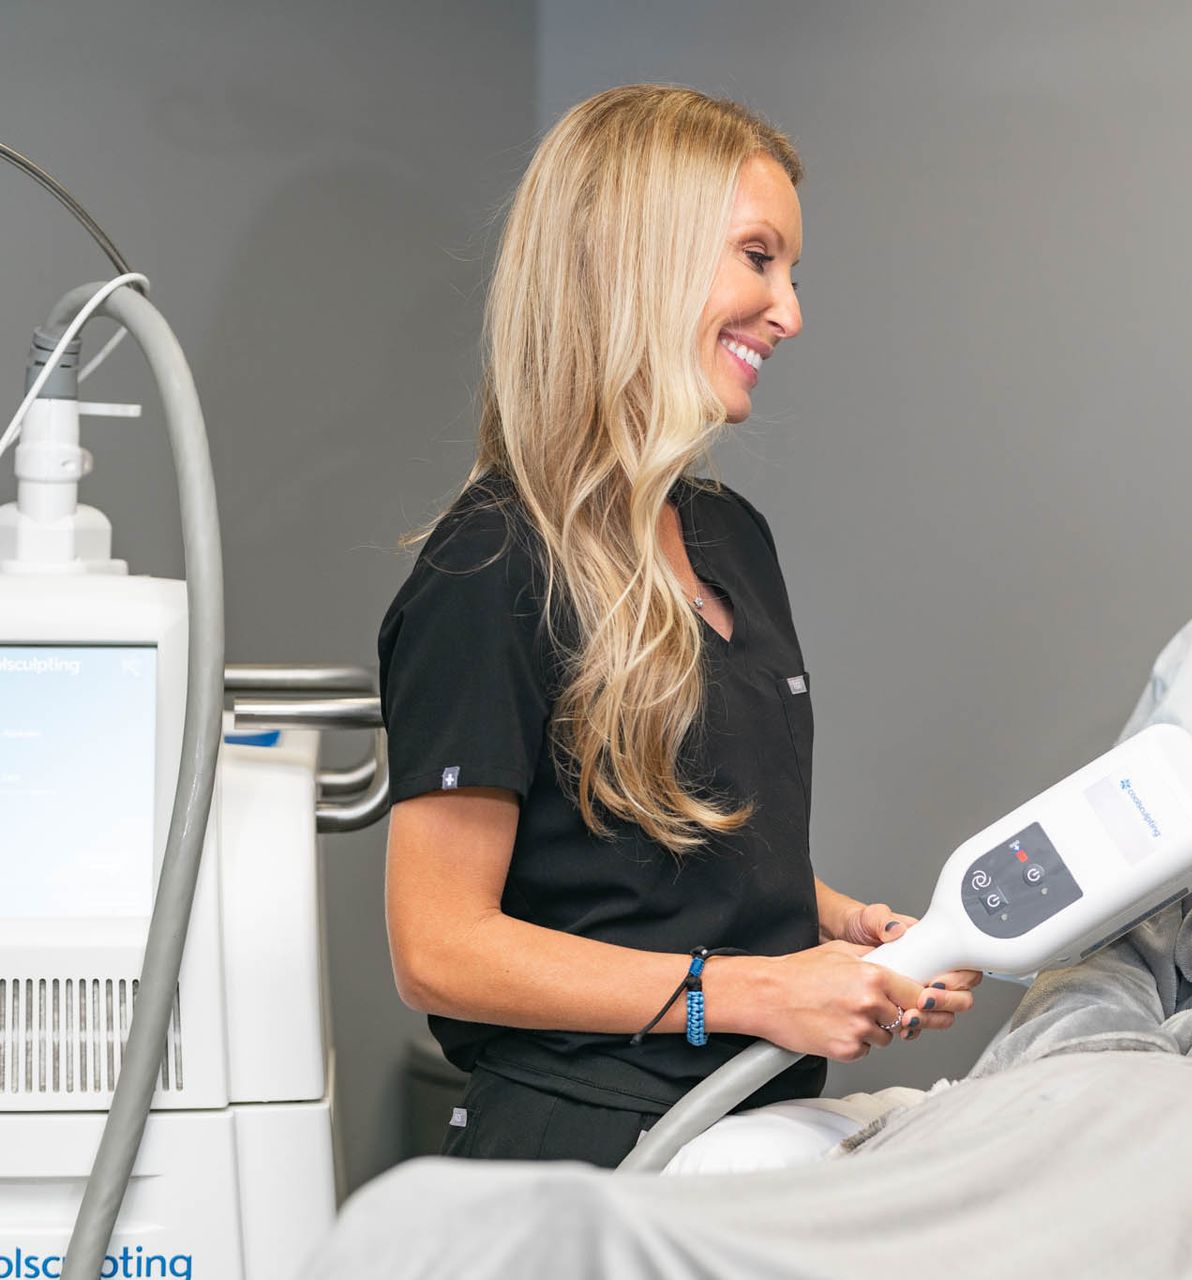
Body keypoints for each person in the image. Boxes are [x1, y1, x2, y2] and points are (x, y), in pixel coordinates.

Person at [324, 410, 1192, 1279]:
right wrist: (1093, 1078)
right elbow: (1096, 980)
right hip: (1110, 1100)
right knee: (930, 1204)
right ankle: (620, 1248)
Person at [375, 85, 976, 1170]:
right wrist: (755, 988)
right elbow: (439, 947)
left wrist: (832, 927)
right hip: (587, 1152)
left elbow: (655, 851)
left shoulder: (727, 536)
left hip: (752, 1130)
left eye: (790, 271)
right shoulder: (493, 564)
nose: (789, 311)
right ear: (638, 258)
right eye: (758, 258)